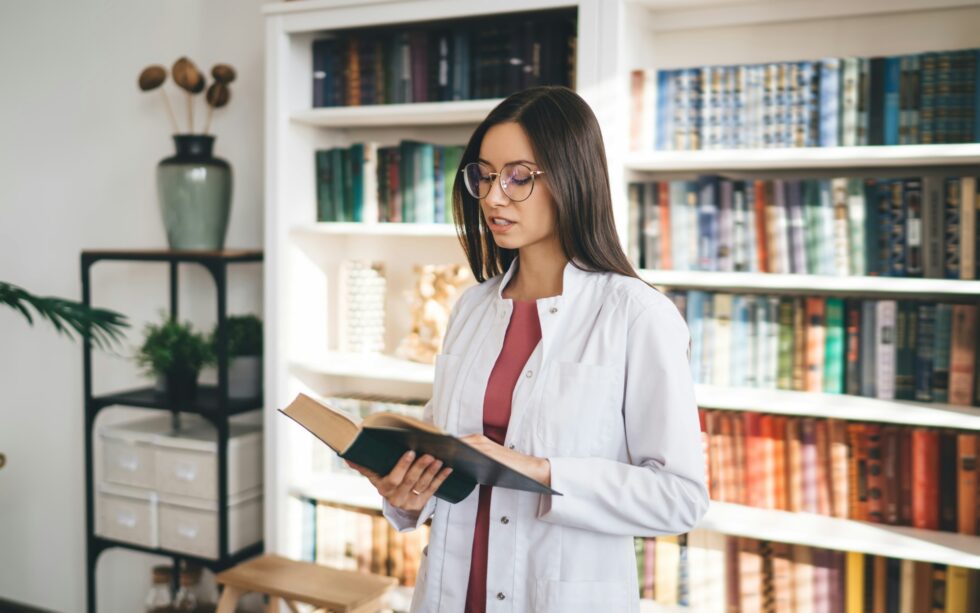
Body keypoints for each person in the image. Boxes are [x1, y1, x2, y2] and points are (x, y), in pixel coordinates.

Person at [345, 85, 708, 613]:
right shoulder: (471, 306)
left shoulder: (636, 315)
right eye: (485, 175)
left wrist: (540, 470)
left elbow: (680, 499)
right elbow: (445, 456)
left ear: (572, 178)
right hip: (451, 593)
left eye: (519, 176)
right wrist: (405, 493)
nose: (494, 196)